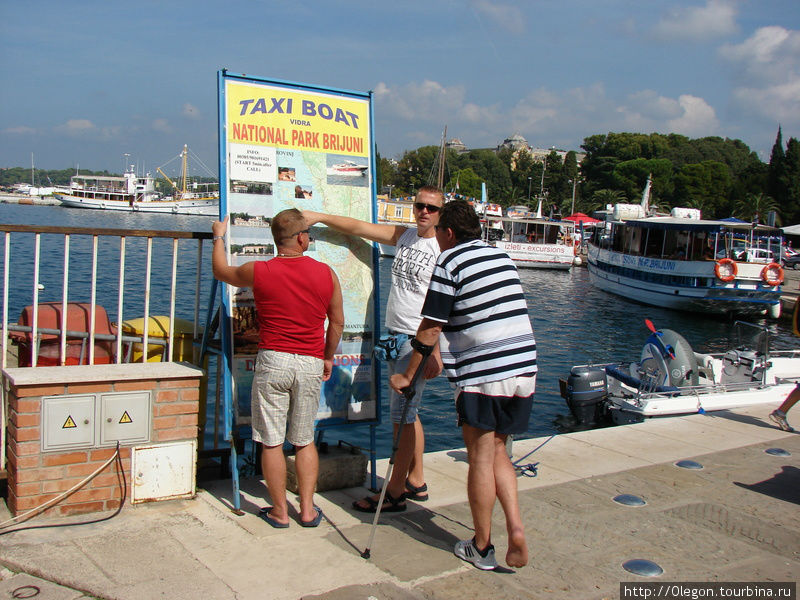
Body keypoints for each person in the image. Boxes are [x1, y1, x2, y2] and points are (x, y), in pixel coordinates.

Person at [389, 199, 537, 570]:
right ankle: (515, 528)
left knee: (480, 457)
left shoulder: (449, 261)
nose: (435, 238)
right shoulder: (500, 255)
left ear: (449, 232)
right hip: (523, 365)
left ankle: (482, 546)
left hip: (485, 373)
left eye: (438, 231)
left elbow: (431, 326)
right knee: (501, 451)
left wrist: (407, 375)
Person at [302, 185, 444, 513]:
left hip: (419, 340)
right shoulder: (404, 236)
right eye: (420, 205)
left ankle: (395, 492)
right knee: (409, 413)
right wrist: (320, 217)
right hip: (396, 336)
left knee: (402, 415)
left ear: (440, 214)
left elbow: (446, 303)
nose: (424, 212)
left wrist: (436, 349)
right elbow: (358, 227)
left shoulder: (442, 248)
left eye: (432, 208)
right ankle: (417, 480)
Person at [212, 209, 344, 528]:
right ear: (301, 238)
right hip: (310, 361)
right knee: (303, 440)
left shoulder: (259, 271)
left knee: (271, 441)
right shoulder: (327, 274)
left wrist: (219, 236)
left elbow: (220, 271)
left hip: (274, 360)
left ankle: (280, 511)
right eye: (308, 235)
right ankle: (308, 510)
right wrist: (327, 357)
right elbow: (337, 322)